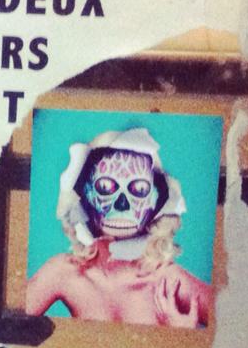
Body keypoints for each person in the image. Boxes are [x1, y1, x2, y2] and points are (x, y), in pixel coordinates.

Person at [25, 128, 211, 328]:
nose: (122, 205)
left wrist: (186, 338)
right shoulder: (64, 271)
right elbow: (3, 326)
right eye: (105, 187)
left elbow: (233, 330)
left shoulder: (169, 283)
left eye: (139, 189)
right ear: (84, 195)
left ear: (156, 201)